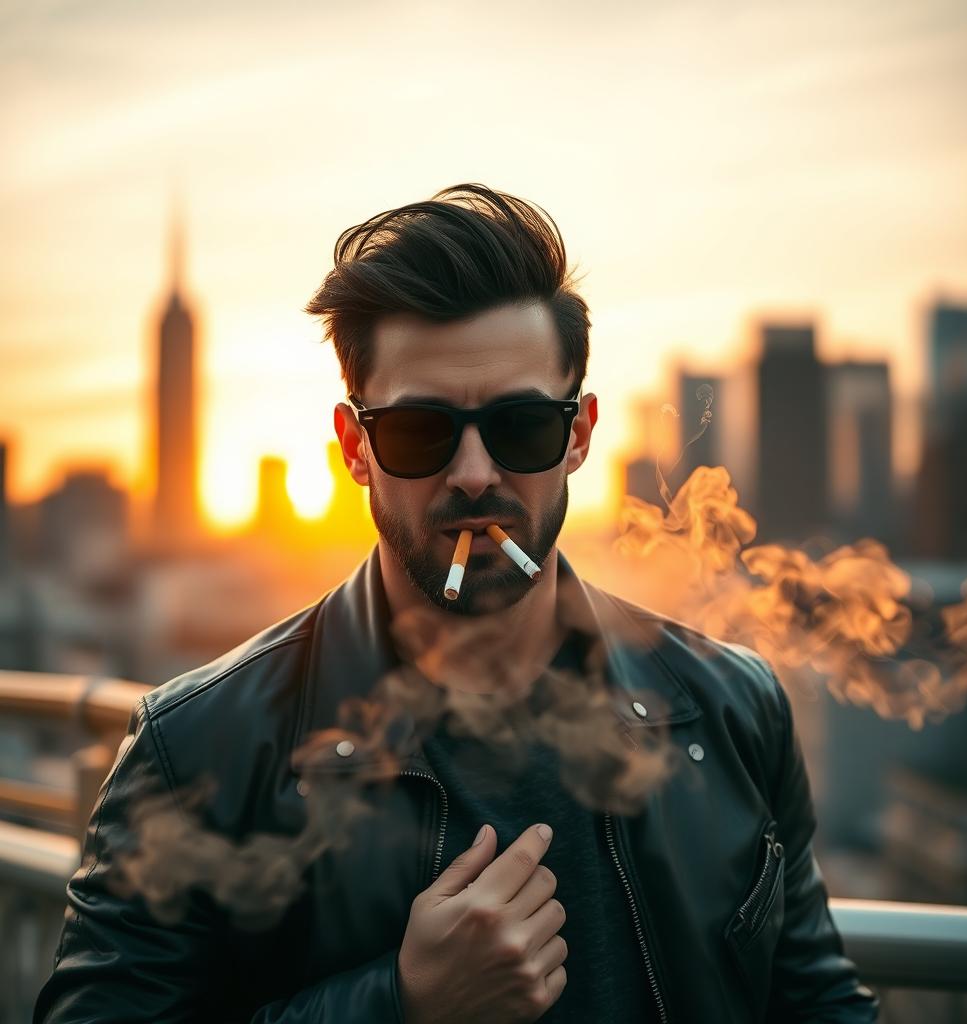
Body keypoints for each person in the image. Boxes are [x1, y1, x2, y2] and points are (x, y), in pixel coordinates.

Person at [35, 183, 878, 1022]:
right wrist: (399, 1007)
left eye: (520, 427)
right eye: (419, 431)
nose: (475, 474)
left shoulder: (732, 712)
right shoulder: (197, 752)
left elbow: (814, 1002)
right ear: (355, 448)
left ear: (578, 436)